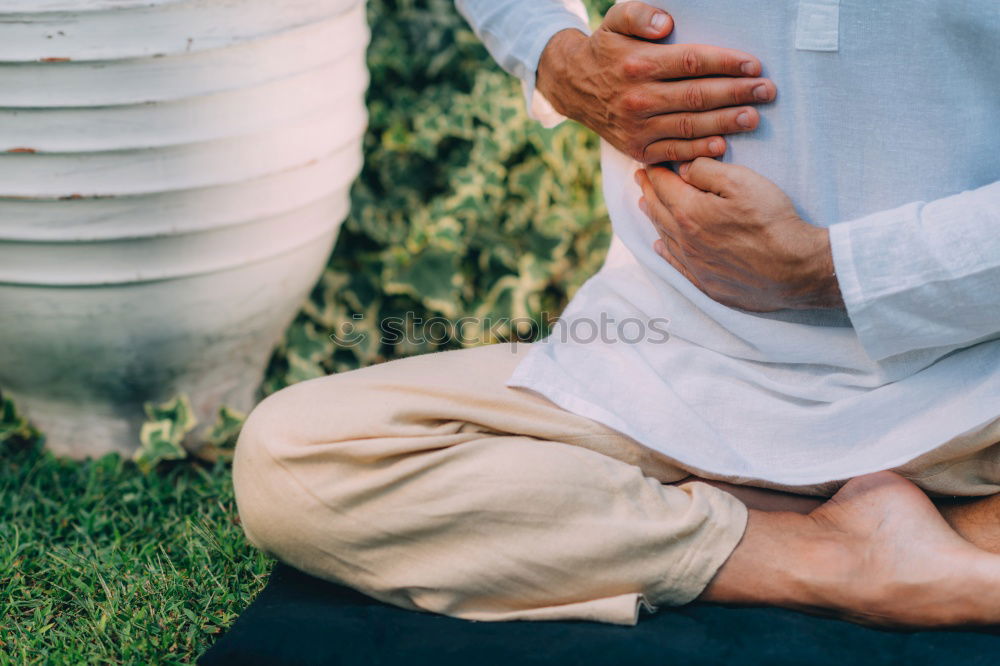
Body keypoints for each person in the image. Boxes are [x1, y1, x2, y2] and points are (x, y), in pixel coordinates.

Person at [232, 0, 1000, 627]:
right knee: (294, 459)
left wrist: (832, 270)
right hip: (670, 376)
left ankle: (893, 520)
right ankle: (830, 554)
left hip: (975, 390)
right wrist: (552, 56)